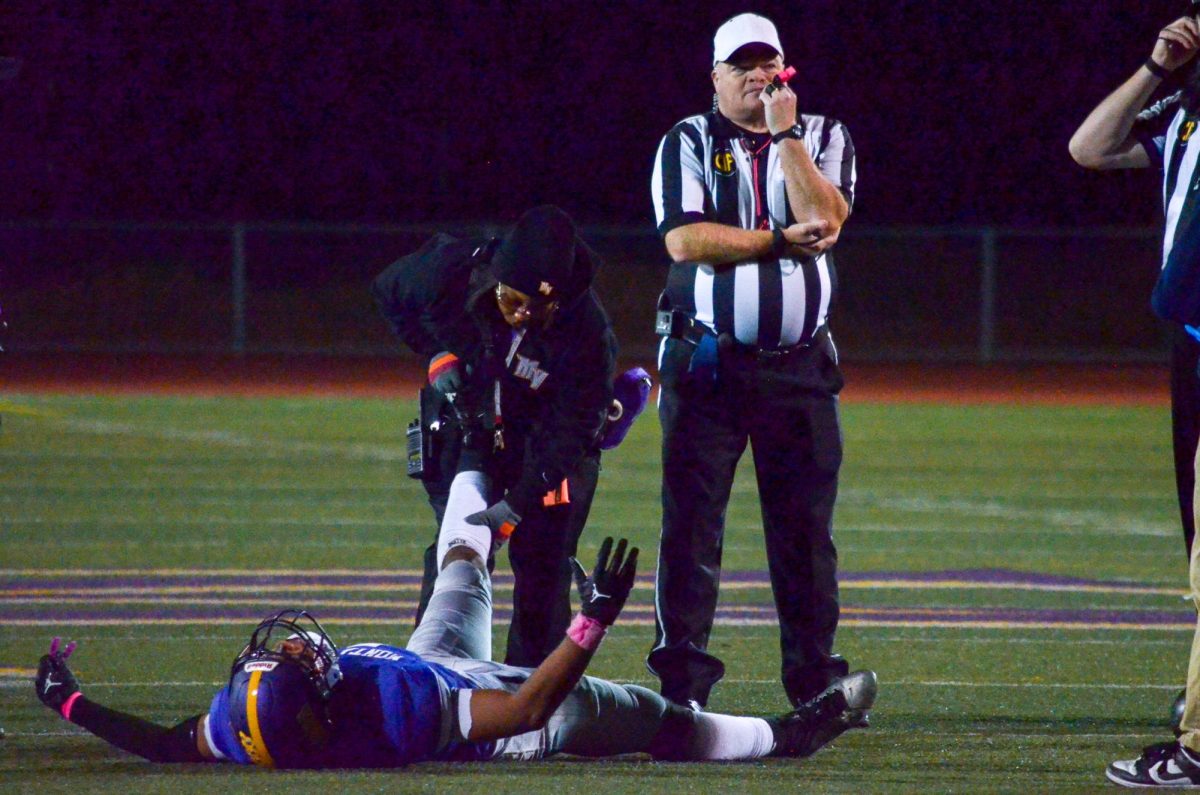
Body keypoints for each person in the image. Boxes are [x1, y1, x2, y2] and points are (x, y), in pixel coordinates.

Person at [32, 486, 878, 767]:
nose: (291, 644)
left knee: (462, 567)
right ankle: (784, 736)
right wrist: (587, 626)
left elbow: (160, 744)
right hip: (492, 713)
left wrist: (69, 703)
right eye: (291, 657)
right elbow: (522, 713)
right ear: (319, 710)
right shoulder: (392, 718)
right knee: (653, 718)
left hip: (421, 660)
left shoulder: (241, 721)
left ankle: (492, 468)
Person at [647, 12, 871, 714]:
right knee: (691, 529)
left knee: (805, 533)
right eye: (740, 66)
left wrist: (785, 136)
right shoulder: (686, 139)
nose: (755, 76)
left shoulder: (822, 135)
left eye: (766, 63)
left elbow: (827, 222)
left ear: (786, 70)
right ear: (714, 77)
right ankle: (682, 687)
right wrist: (776, 241)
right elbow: (684, 241)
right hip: (708, 364)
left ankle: (814, 682)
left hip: (800, 366)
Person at [372, 205, 639, 668]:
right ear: (494, 279)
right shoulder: (452, 269)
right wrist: (437, 353)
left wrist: (517, 503)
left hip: (542, 444)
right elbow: (390, 290)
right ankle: (432, 678)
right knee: (455, 552)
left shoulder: (589, 333)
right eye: (513, 301)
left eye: (539, 308)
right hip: (469, 424)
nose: (522, 316)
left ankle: (529, 699)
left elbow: (571, 432)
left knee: (544, 565)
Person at [1069, 10, 1200, 787]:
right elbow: (1089, 147)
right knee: (1196, 542)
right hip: (1189, 340)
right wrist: (1157, 67)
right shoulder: (1182, 112)